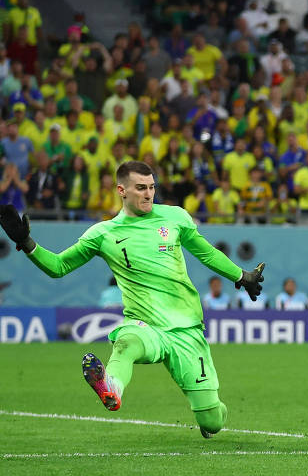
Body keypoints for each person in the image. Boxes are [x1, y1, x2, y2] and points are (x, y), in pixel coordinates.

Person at [0, 161, 265, 439]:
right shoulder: (103, 234)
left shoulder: (175, 217)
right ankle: (110, 387)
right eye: (141, 188)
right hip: (145, 326)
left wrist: (241, 276)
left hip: (186, 329)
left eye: (151, 187)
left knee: (212, 420)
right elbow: (58, 266)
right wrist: (27, 244)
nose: (148, 193)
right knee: (125, 343)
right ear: (121, 190)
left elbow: (207, 253)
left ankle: (209, 414)